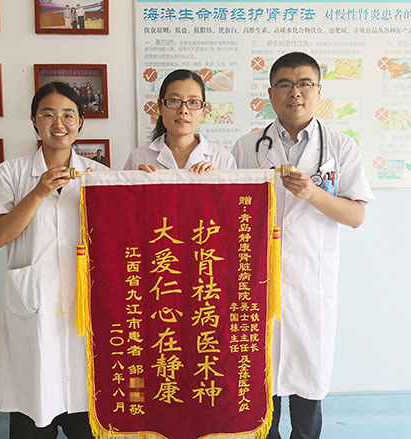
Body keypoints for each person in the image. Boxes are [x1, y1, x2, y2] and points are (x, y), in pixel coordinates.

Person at [232, 52, 373, 439]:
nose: (295, 92)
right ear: (270, 94)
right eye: (284, 84)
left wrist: (313, 194)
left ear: (318, 91)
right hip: (256, 280)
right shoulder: (247, 147)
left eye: (304, 83)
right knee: (261, 380)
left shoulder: (341, 147)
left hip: (312, 279)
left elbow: (356, 216)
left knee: (308, 379)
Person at [0, 82, 108, 439]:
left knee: (87, 412)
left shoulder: (99, 176)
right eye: (48, 114)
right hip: (33, 310)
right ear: (34, 121)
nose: (59, 124)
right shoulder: (12, 173)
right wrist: (38, 192)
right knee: (34, 408)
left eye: (68, 115)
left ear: (81, 122)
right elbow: (0, 235)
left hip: (84, 309)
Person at [124, 69, 237, 172]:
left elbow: (235, 189)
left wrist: (218, 181)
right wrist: (137, 182)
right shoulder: (138, 158)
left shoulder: (223, 159)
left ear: (203, 110)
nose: (183, 110)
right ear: (160, 106)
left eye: (193, 102)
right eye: (174, 101)